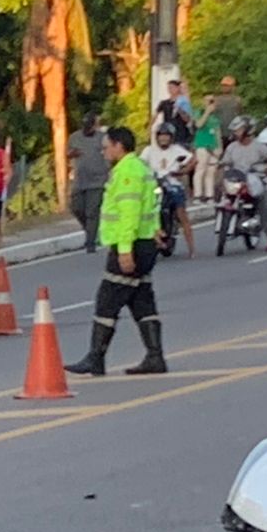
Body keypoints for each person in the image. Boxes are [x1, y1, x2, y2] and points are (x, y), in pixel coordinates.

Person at [64, 126, 165, 377]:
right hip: (143, 242)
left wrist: (124, 250)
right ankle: (155, 356)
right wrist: (155, 231)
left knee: (107, 300)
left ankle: (95, 357)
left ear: (120, 146)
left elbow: (129, 214)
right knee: (141, 299)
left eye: (107, 146)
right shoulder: (139, 168)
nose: (104, 150)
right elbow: (151, 206)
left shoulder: (128, 172)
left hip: (131, 243)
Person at [221, 115, 267, 252]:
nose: (236, 133)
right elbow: (225, 162)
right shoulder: (232, 147)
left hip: (255, 180)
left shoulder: (259, 146)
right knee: (224, 197)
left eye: (239, 129)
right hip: (237, 180)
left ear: (248, 130)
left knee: (263, 206)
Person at [141, 124, 196, 257]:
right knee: (145, 209)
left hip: (172, 185)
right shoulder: (149, 150)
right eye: (161, 136)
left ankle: (192, 248)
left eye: (166, 136)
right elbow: (140, 163)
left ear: (171, 138)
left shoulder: (176, 150)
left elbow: (193, 159)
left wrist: (182, 171)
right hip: (154, 185)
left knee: (181, 213)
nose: (164, 139)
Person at [66, 113, 109, 253]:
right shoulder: (74, 137)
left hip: (97, 180)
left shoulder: (102, 138)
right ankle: (91, 229)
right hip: (80, 180)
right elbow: (68, 153)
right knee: (76, 207)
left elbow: (108, 155)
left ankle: (90, 242)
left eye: (90, 126)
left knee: (92, 211)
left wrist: (107, 170)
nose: (88, 129)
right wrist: (72, 154)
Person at [190, 93, 223, 210]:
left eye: (212, 101)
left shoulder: (216, 118)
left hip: (213, 146)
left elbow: (218, 132)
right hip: (202, 145)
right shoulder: (199, 112)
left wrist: (220, 148)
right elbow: (199, 125)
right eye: (208, 101)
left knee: (211, 172)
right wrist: (207, 112)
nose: (210, 103)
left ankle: (210, 195)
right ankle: (198, 195)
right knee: (200, 170)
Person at [154, 78, 195, 145]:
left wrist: (180, 110)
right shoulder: (164, 103)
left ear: (177, 88)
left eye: (172, 87)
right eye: (168, 88)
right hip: (168, 134)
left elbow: (187, 118)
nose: (170, 90)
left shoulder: (183, 101)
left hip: (181, 134)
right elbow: (155, 115)